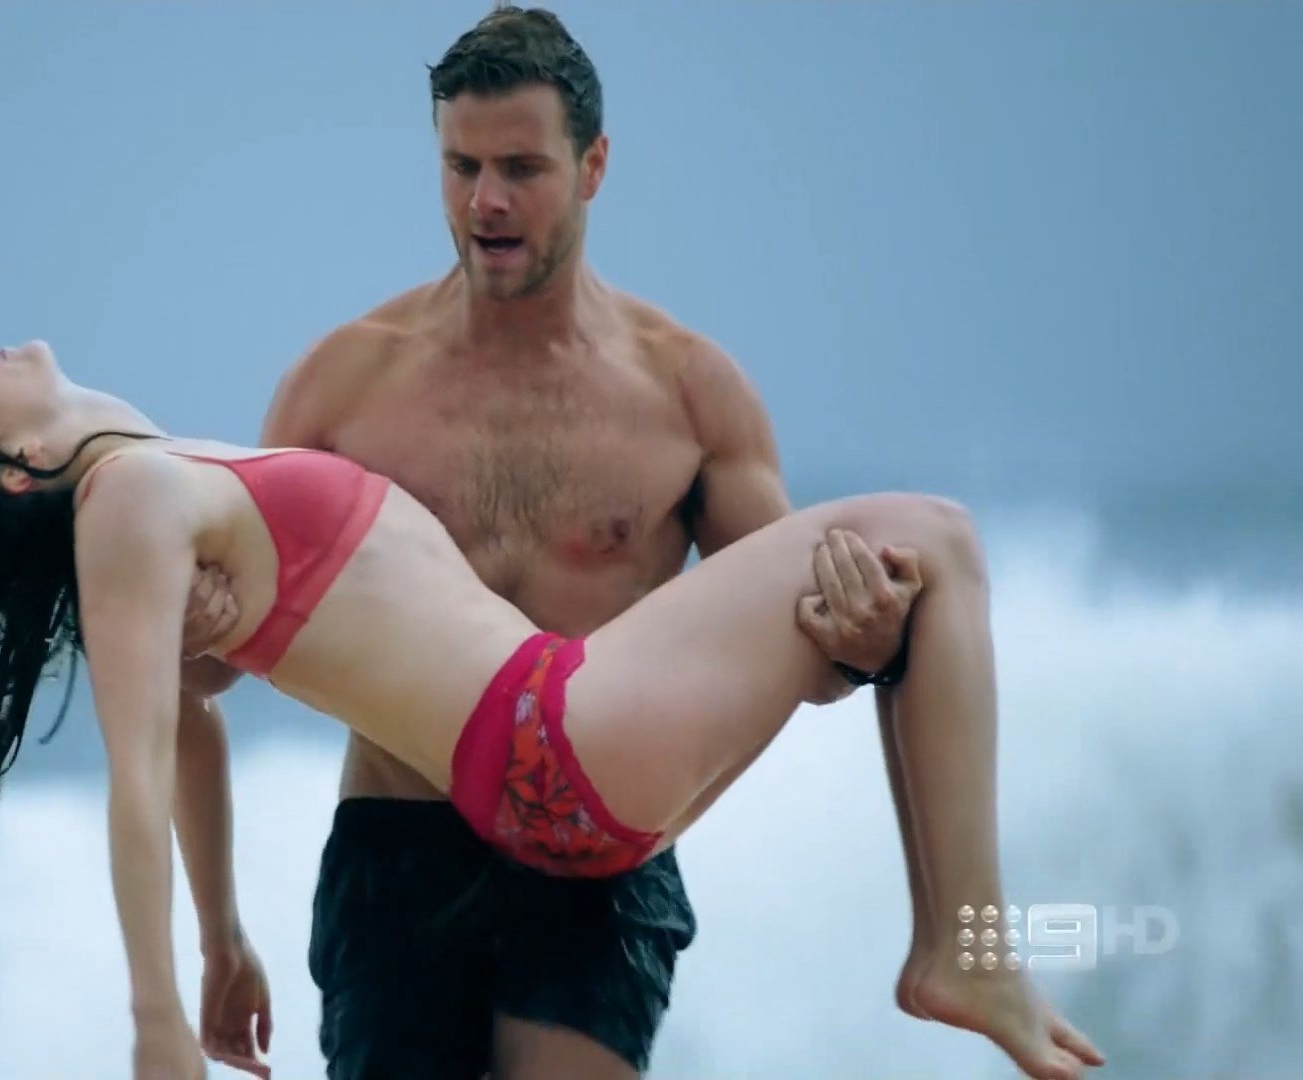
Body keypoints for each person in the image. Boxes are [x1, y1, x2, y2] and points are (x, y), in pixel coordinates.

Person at [0, 336, 1106, 1080]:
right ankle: (965, 952)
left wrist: (224, 942)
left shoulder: (153, 482)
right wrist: (159, 1031)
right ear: (25, 468)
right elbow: (141, 769)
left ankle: (958, 950)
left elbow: (192, 721)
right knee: (936, 535)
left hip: (549, 771)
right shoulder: (133, 500)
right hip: (555, 732)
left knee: (906, 570)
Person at [176, 8, 912, 1078]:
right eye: (461, 166)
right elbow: (210, 669)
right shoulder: (342, 386)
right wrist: (190, 631)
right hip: (400, 841)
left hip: (597, 858)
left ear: (593, 165)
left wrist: (863, 644)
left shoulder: (688, 394)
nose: (486, 200)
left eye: (521, 168)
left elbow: (797, 650)